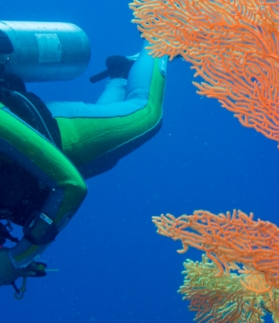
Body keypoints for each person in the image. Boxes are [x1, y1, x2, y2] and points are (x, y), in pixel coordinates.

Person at [0, 46, 166, 295]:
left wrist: (18, 258)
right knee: (106, 157)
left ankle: (162, 36)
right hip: (35, 174)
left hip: (61, 136)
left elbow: (71, 186)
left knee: (146, 114)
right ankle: (120, 75)